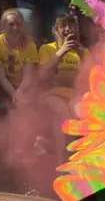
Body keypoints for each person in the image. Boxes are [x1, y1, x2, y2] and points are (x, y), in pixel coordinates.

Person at [38, 14, 88, 165]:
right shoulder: (47, 49)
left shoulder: (82, 51)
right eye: (63, 26)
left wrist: (83, 57)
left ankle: (80, 160)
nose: (68, 29)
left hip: (74, 96)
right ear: (55, 30)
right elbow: (41, 75)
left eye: (71, 26)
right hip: (49, 94)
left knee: (82, 111)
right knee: (62, 111)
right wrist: (60, 53)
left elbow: (92, 77)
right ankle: (62, 162)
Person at [0, 8, 38, 113]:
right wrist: (15, 95)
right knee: (8, 108)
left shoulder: (30, 45)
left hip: (22, 87)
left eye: (19, 24)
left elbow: (28, 75)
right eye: (11, 24)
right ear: (2, 25)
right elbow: (0, 77)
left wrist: (19, 93)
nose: (15, 28)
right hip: (0, 86)